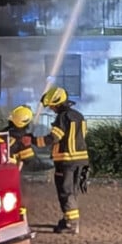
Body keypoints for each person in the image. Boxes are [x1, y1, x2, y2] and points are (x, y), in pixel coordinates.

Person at [36, 85, 90, 235]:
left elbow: (53, 138)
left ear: (58, 103)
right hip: (81, 160)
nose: (51, 109)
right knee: (72, 191)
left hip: (66, 161)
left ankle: (71, 225)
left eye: (52, 106)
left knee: (65, 192)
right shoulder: (79, 116)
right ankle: (69, 220)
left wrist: (33, 141)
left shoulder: (62, 117)